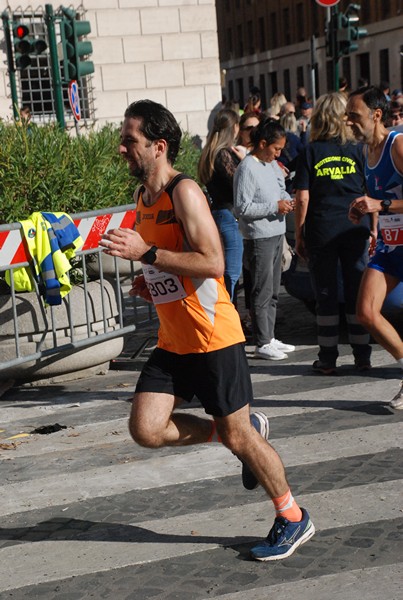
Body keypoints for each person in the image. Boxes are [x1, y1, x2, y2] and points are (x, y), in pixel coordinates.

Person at [99, 99, 314, 561]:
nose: (121, 148)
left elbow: (213, 262)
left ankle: (293, 516)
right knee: (146, 427)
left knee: (241, 439)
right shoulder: (144, 198)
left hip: (213, 337)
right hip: (174, 340)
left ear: (158, 146)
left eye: (129, 140)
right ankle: (233, 429)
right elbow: (172, 261)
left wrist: (148, 256)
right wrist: (150, 279)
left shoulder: (185, 192)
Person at [293, 92, 375, 374]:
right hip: (355, 228)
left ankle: (327, 358)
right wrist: (374, 228)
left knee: (325, 294)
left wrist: (299, 234)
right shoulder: (360, 150)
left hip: (322, 229)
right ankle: (362, 355)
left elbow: (302, 198)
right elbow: (369, 192)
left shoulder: (310, 152)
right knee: (356, 292)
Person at [346, 86, 403, 409]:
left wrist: (379, 203)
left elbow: (386, 199)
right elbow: (382, 202)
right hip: (390, 248)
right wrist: (367, 214)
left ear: (376, 115)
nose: (348, 122)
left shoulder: (397, 145)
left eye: (354, 116)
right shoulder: (367, 153)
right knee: (366, 312)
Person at [234, 118, 297, 360]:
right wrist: (274, 206)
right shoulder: (247, 167)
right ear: (262, 143)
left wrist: (284, 199)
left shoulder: (270, 166)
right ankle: (262, 341)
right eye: (276, 149)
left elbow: (278, 189)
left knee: (272, 290)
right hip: (259, 237)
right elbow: (242, 208)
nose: (278, 154)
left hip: (275, 233)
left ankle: (269, 336)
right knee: (261, 290)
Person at [198, 109, 244, 301]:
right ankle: (227, 316)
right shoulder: (223, 154)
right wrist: (245, 161)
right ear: (234, 127)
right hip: (229, 215)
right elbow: (240, 184)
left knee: (227, 273)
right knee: (231, 273)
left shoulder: (209, 153)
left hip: (219, 214)